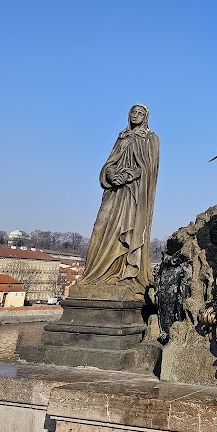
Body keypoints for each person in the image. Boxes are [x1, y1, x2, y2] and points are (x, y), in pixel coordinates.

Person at [77, 104, 159, 297]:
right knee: (100, 227)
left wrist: (129, 175)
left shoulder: (150, 139)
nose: (136, 115)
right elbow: (111, 161)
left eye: (140, 113)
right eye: (133, 112)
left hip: (133, 192)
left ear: (146, 117)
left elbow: (150, 170)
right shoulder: (122, 137)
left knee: (128, 230)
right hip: (114, 190)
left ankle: (123, 272)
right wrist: (111, 173)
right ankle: (94, 274)